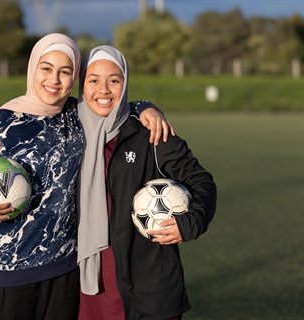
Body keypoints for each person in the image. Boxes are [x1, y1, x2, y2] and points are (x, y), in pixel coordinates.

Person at [0, 33, 172, 320]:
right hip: (8, 272)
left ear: (74, 77)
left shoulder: (75, 114)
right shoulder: (2, 121)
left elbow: (109, 102)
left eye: (65, 72)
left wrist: (146, 107)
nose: (54, 80)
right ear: (33, 69)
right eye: (46, 68)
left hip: (64, 271)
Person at [76, 46, 217, 320]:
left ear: (125, 83)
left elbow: (201, 181)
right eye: (93, 80)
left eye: (114, 80)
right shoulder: (67, 133)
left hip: (149, 288)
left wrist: (190, 223)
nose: (103, 90)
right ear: (81, 86)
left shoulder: (151, 133)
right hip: (87, 287)